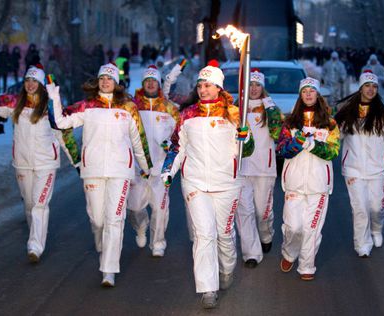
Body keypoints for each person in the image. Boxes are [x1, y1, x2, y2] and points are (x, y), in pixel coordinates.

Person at [46, 63, 152, 287]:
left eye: (110, 78)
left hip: (120, 170)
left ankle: (109, 270)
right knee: (97, 218)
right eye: (102, 78)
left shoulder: (128, 107)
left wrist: (146, 168)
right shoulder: (87, 106)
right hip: (93, 169)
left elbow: (139, 140)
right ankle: (100, 236)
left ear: (116, 83)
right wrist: (54, 98)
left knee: (115, 219)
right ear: (98, 81)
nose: (106, 82)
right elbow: (61, 122)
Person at [161, 60, 254, 309]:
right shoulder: (188, 115)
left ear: (219, 88)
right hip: (195, 182)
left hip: (226, 183)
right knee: (204, 235)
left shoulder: (234, 114)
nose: (202, 89)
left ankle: (226, 268)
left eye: (208, 85)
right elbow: (178, 147)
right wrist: (168, 171)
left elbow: (247, 149)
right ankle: (208, 287)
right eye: (200, 85)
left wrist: (245, 137)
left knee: (225, 235)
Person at [0, 65, 80, 263]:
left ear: (40, 84)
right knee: (30, 205)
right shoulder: (15, 103)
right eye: (27, 81)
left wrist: (77, 161)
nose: (30, 84)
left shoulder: (50, 106)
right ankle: (35, 235)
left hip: (46, 163)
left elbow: (64, 134)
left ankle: (35, 246)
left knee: (39, 204)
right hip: (22, 162)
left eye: (34, 81)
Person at [334, 71, 384, 258]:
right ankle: (362, 245)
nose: (371, 89)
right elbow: (334, 138)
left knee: (376, 207)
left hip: (378, 170)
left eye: (374, 86)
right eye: (367, 86)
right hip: (353, 169)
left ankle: (377, 228)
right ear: (360, 88)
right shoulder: (347, 114)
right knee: (360, 209)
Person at [276, 77, 340, 280]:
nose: (309, 94)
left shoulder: (330, 123)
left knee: (311, 228)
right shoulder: (290, 122)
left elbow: (333, 152)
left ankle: (306, 266)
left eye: (312, 90)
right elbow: (282, 150)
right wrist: (298, 141)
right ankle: (289, 252)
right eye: (305, 91)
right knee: (293, 227)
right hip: (294, 184)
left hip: (319, 185)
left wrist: (313, 145)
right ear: (300, 95)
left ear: (318, 94)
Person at [127, 65, 180, 257]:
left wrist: (170, 144)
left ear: (158, 84)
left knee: (160, 208)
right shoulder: (132, 106)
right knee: (134, 207)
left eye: (153, 81)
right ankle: (140, 227)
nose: (150, 83)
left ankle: (158, 243)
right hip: (137, 167)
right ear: (143, 84)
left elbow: (179, 135)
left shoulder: (169, 108)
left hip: (160, 167)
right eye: (147, 81)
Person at [235, 69, 283, 268]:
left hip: (264, 167)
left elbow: (277, 132)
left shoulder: (271, 108)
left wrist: (270, 107)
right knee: (245, 212)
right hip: (242, 168)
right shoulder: (237, 108)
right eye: (250, 85)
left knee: (262, 212)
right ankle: (251, 254)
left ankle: (266, 234)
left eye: (257, 85)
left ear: (263, 87)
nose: (254, 89)